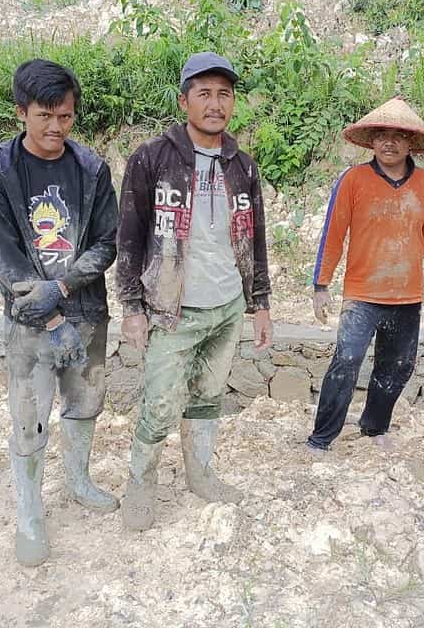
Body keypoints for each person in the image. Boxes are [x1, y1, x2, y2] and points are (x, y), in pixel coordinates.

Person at [115, 52, 273, 531]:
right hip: (170, 308)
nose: (215, 103)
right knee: (160, 404)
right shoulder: (152, 159)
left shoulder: (242, 167)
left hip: (225, 305)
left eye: (224, 93)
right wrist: (131, 306)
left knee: (208, 396)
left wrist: (260, 303)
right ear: (184, 100)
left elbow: (256, 237)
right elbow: (130, 234)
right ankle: (140, 485)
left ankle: (200, 473)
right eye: (203, 93)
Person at [0, 59, 120, 566]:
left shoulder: (92, 168)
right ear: (21, 112)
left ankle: (78, 480)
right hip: (29, 321)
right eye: (45, 115)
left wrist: (62, 286)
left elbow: (107, 242)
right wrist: (50, 317)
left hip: (86, 308)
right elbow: (6, 257)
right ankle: (30, 508)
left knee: (85, 402)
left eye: (66, 116)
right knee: (29, 414)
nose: (56, 127)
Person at [307, 97, 424, 450]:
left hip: (408, 296)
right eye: (381, 135)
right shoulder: (353, 180)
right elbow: (333, 233)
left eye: (398, 136)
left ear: (411, 143)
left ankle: (374, 428)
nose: (389, 142)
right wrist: (321, 284)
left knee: (398, 366)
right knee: (346, 359)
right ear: (371, 141)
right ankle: (322, 437)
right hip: (361, 294)